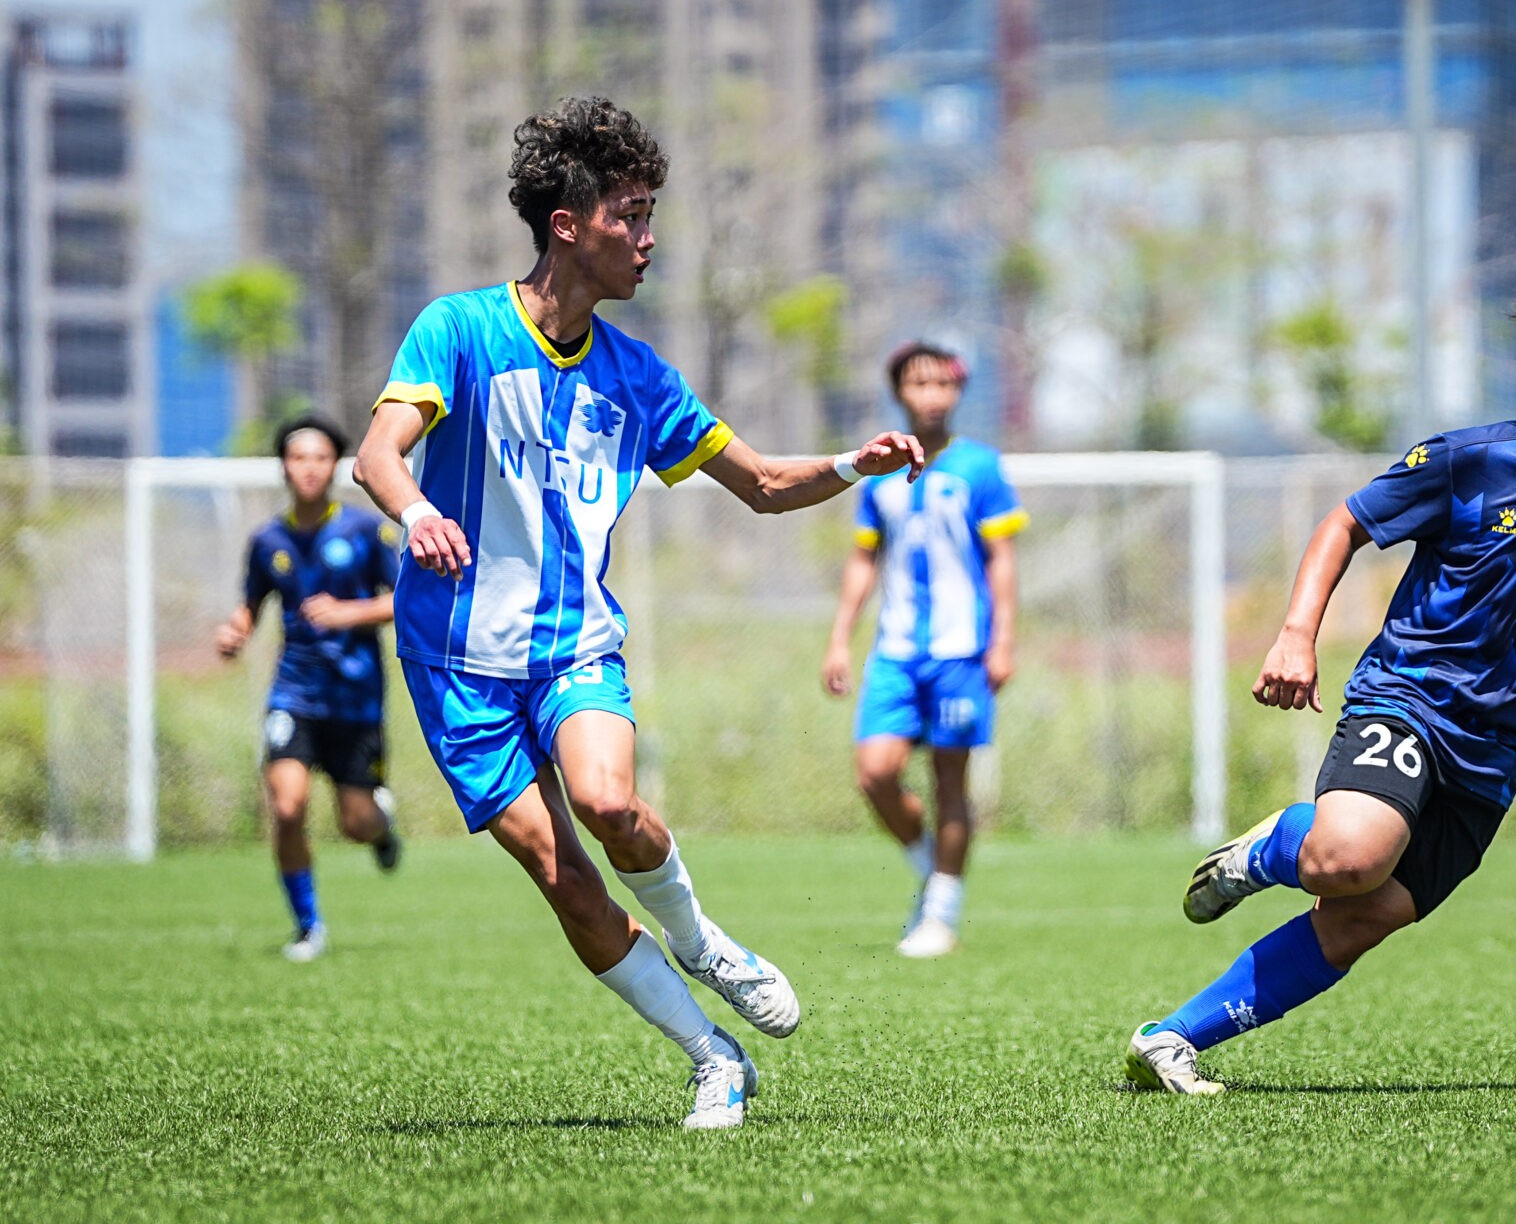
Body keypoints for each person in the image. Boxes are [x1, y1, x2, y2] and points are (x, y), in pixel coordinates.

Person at [352, 96, 925, 1130]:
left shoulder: (637, 374)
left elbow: (760, 483)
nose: (650, 238)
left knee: (610, 804)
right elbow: (377, 451)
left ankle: (704, 941)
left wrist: (852, 462)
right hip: (454, 660)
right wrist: (419, 508)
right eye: (633, 214)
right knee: (565, 878)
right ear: (569, 225)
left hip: (573, 641)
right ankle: (714, 1054)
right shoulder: (460, 329)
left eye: (653, 213)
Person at [1124, 275, 1516, 1093]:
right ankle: (1279, 845)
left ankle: (1168, 1040)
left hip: (1496, 754)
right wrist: (1296, 636)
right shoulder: (1469, 463)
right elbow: (1345, 522)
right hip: (1406, 700)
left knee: (1365, 915)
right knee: (1349, 858)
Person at [821, 342, 1025, 958]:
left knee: (949, 781)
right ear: (899, 391)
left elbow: (1002, 561)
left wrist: (1005, 640)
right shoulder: (877, 469)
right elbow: (864, 557)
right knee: (875, 774)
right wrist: (839, 639)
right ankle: (933, 867)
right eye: (918, 384)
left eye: (943, 384)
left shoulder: (979, 468)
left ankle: (941, 911)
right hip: (896, 651)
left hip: (961, 651)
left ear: (957, 392)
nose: (931, 396)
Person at [216, 414, 404, 963]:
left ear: (335, 466)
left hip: (356, 697)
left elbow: (407, 600)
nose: (309, 468)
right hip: (293, 695)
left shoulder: (367, 531)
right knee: (288, 805)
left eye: (320, 458)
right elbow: (250, 608)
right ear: (284, 467)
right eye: (299, 458)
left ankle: (381, 826)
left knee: (356, 823)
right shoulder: (266, 541)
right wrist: (235, 632)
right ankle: (308, 926)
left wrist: (350, 613)